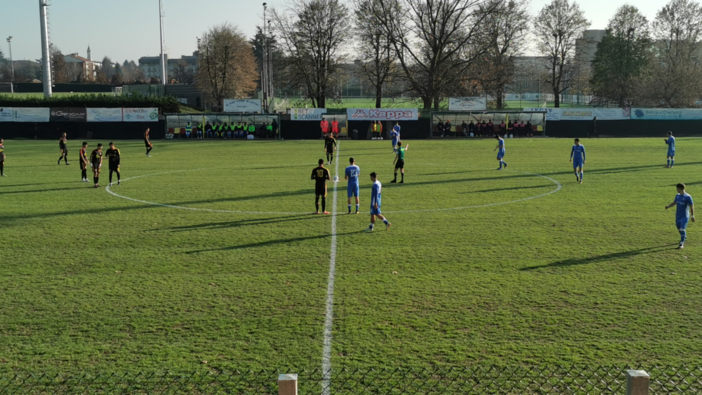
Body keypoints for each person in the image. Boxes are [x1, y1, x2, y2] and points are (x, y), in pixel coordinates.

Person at [665, 183, 695, 249]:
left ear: (680, 189)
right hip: (678, 215)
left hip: (685, 215)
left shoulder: (688, 197)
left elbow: (691, 206)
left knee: (682, 228)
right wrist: (668, 206)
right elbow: (674, 202)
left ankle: (681, 243)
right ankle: (684, 236)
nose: (676, 190)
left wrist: (692, 216)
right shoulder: (677, 196)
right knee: (679, 228)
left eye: (677, 188)